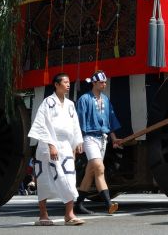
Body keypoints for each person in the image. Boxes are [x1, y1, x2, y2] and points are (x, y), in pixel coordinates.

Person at [28, 72, 85, 226]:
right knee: (45, 178)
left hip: (66, 145)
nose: (68, 85)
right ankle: (43, 214)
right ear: (56, 84)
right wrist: (51, 144)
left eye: (69, 82)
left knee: (69, 178)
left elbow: (75, 125)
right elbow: (42, 124)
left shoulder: (70, 104)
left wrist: (77, 142)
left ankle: (69, 214)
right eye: (65, 82)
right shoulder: (48, 102)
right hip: (48, 145)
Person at [74, 70, 123, 215]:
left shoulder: (106, 99)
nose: (104, 84)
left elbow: (110, 120)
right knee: (99, 168)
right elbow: (78, 121)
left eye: (105, 82)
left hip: (103, 139)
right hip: (89, 137)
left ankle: (79, 204)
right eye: (102, 82)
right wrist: (78, 140)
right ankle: (109, 204)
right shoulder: (84, 99)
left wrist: (114, 138)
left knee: (90, 172)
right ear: (94, 83)